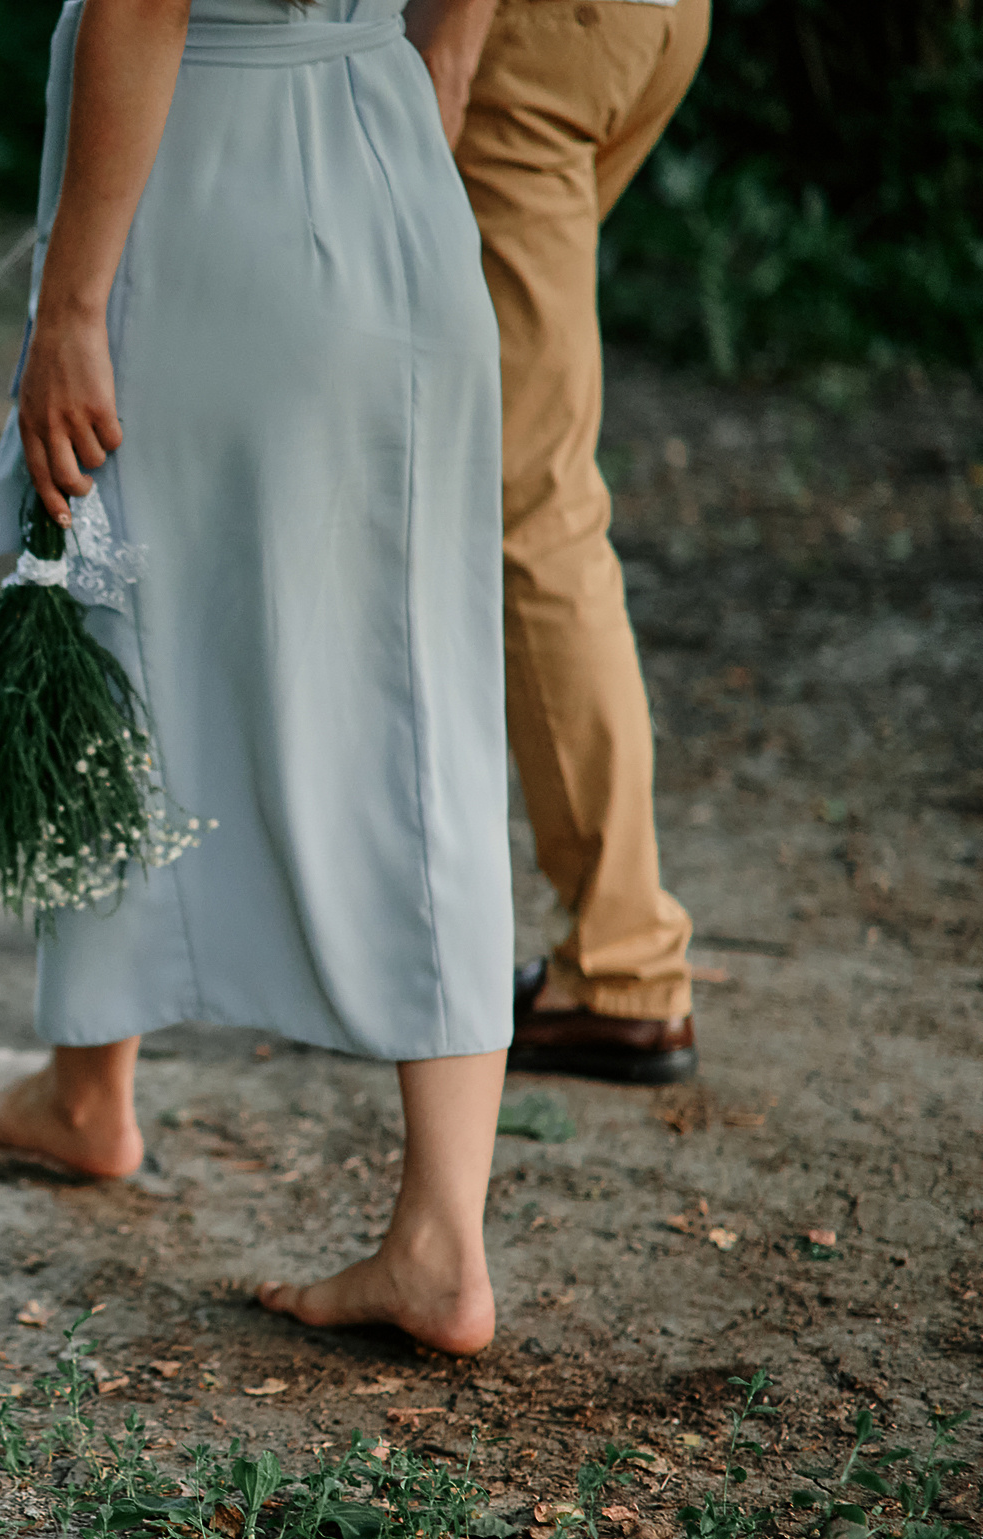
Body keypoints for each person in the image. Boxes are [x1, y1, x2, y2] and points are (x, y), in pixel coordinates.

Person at [0, 0, 512, 1355]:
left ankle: (426, 1249)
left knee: (117, 622)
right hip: (388, 154)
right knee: (415, 696)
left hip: (218, 183)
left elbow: (144, 1)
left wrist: (71, 307)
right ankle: (103, 1094)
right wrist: (422, 96)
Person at [405, 0, 709, 1085]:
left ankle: (623, 966)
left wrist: (452, 37)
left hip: (528, 37)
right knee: (498, 460)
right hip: (649, 25)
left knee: (529, 500)